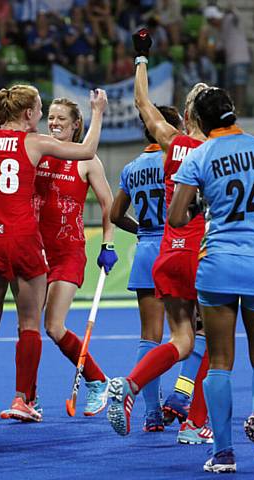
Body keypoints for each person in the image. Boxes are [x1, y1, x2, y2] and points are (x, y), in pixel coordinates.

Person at [0, 85, 108, 423]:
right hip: (24, 241)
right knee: (31, 324)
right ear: (28, 114)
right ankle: (23, 399)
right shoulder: (34, 144)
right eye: (41, 111)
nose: (46, 119)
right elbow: (89, 148)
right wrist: (99, 112)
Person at [168, 87, 254, 472]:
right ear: (233, 114)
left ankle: (223, 454)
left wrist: (201, 204)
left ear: (202, 122)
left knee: (220, 360)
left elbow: (175, 218)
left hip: (218, 265)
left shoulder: (198, 155)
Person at [106, 28, 212, 445]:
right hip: (205, 252)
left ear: (187, 117)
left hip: (161, 249)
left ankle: (140, 398)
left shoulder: (170, 143)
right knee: (209, 340)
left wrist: (141, 57)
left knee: (166, 337)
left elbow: (141, 102)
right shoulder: (223, 152)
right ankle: (191, 418)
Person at [109, 105, 182, 432]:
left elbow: (114, 214)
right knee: (190, 333)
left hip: (146, 250)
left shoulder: (132, 167)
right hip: (175, 247)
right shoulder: (176, 160)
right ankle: (182, 399)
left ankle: (151, 415)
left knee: (149, 336)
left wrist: (141, 230)